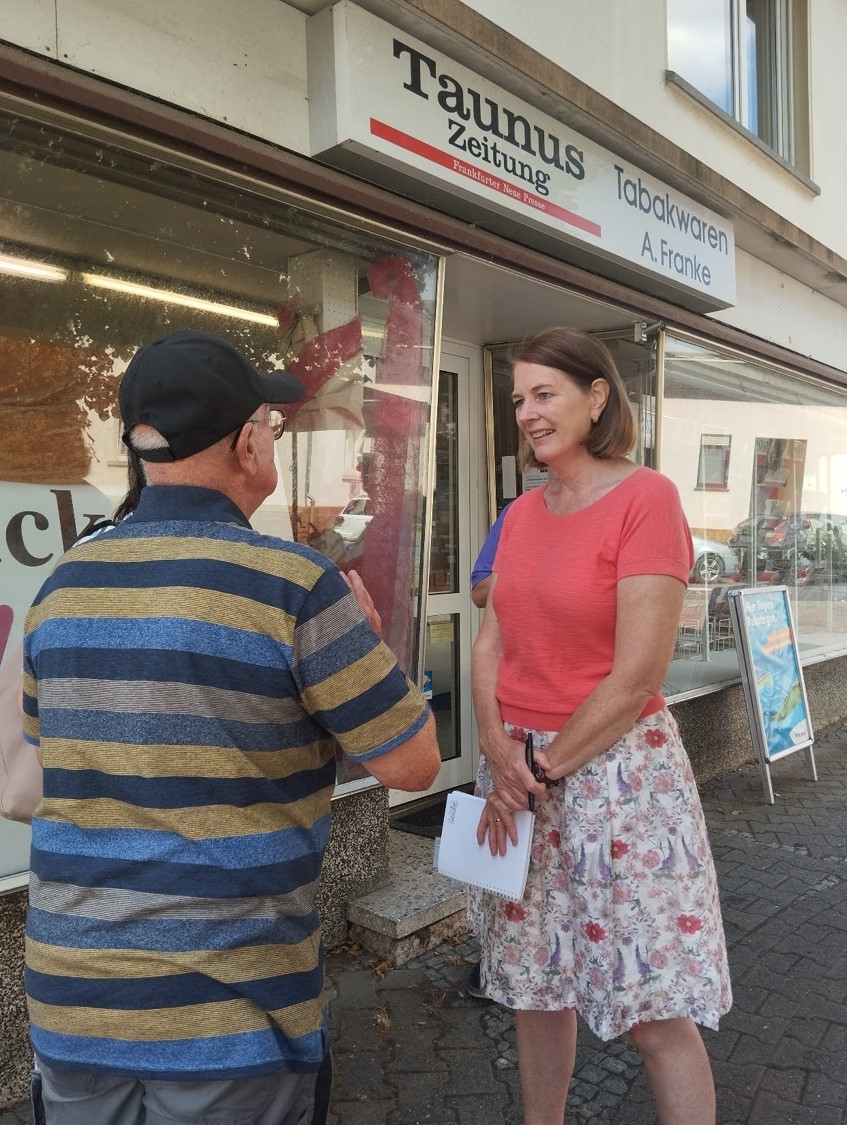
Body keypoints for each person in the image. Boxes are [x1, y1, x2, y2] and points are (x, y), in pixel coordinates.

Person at [22, 329, 441, 1125]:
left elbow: (56, 758)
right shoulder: (296, 587)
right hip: (229, 1018)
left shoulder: (63, 584)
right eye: (272, 428)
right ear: (248, 443)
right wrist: (368, 642)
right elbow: (415, 763)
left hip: (73, 1006)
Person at [469, 327, 731, 1125]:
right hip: (518, 770)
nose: (527, 412)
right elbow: (491, 640)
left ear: (596, 395)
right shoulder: (518, 513)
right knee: (531, 986)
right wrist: (493, 747)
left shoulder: (646, 498)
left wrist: (533, 769)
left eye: (543, 393)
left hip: (616, 777)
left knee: (654, 1001)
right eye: (517, 399)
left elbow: (635, 678)